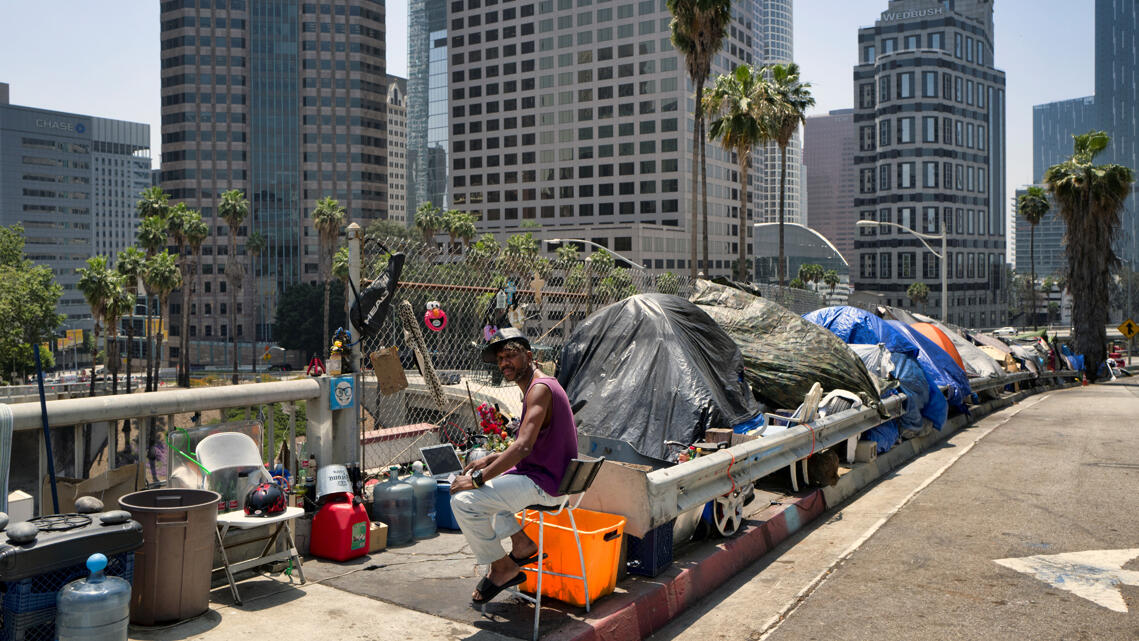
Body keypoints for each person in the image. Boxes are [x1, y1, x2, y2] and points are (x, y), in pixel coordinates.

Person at [450, 327, 578, 605]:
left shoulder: (540, 390)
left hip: (546, 484)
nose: (504, 363)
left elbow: (523, 447)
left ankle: (503, 567)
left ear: (529, 356)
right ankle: (522, 544)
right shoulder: (540, 386)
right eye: (500, 360)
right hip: (546, 477)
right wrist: (490, 459)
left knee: (464, 500)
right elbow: (527, 444)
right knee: (491, 487)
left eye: (510, 356)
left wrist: (477, 479)